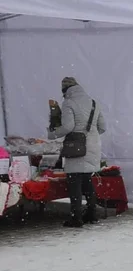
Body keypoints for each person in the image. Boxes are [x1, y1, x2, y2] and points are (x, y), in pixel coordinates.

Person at [48, 77, 107, 228]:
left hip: (77, 146)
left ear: (65, 90)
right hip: (93, 145)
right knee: (87, 181)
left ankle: (76, 218)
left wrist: (52, 134)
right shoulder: (93, 102)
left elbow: (68, 127)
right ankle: (92, 214)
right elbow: (102, 127)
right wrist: (90, 135)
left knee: (74, 183)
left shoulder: (69, 102)